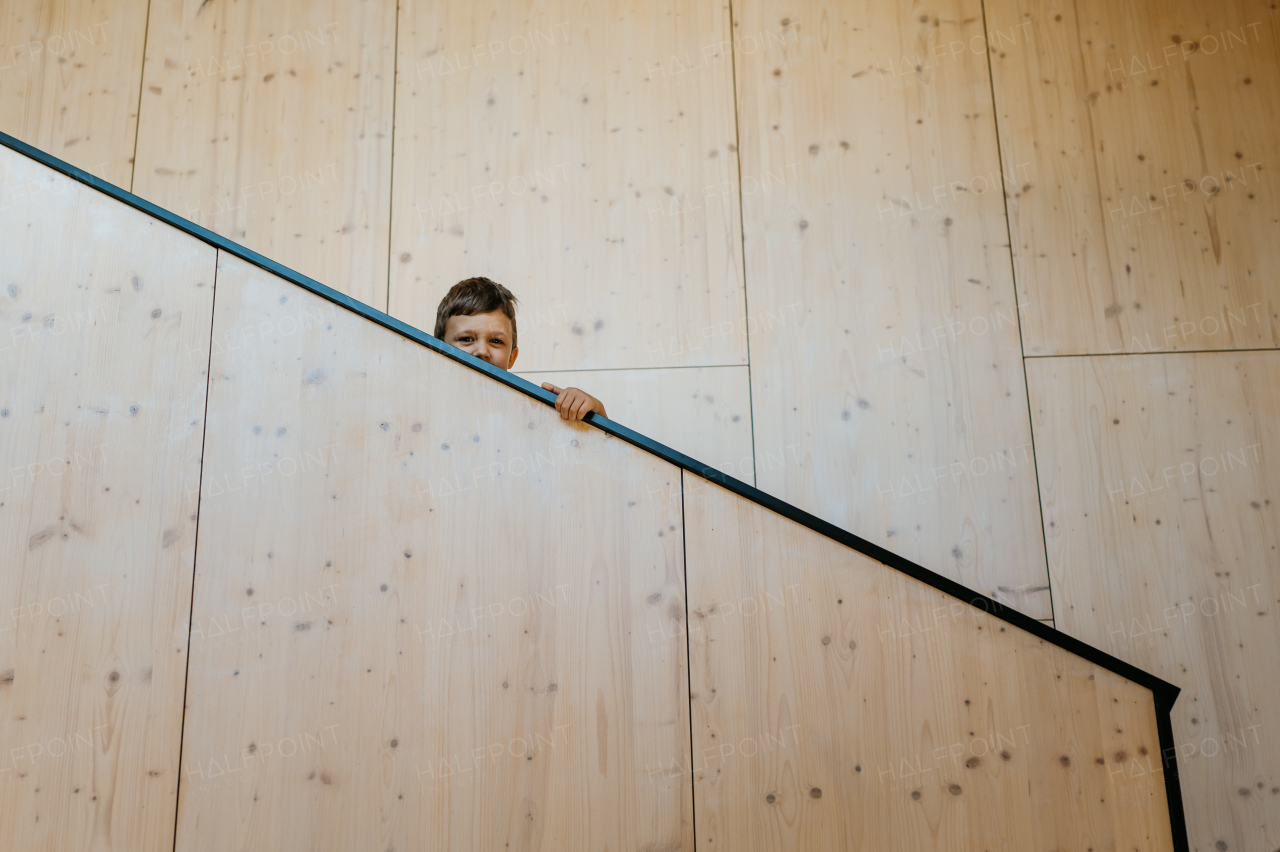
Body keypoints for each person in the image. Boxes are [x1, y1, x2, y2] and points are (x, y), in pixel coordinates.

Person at [434, 277, 607, 421]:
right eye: (466, 339)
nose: (481, 351)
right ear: (437, 350)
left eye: (495, 340)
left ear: (512, 357)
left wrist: (594, 411)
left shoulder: (530, 415)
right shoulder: (423, 401)